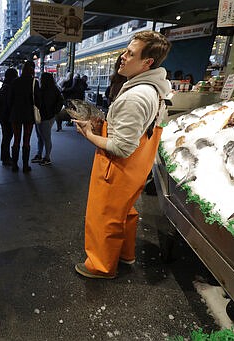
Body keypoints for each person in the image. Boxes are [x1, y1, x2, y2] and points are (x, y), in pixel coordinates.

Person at [73, 31, 171, 279]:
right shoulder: (153, 90)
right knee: (124, 212)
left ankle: (101, 266)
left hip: (117, 167)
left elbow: (122, 147)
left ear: (148, 62)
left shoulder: (136, 96)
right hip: (136, 168)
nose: (123, 57)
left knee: (104, 216)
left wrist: (88, 134)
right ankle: (125, 254)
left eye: (130, 53)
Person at [8, 60, 39, 172]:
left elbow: (10, 99)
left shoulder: (15, 81)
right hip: (28, 115)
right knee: (26, 141)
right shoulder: (34, 82)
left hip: (16, 114)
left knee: (16, 140)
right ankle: (25, 166)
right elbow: (37, 100)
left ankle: (14, 166)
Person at [31, 72, 64, 166]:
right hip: (47, 116)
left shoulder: (43, 90)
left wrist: (54, 112)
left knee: (44, 137)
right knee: (43, 137)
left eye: (41, 78)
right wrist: (55, 111)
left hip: (45, 116)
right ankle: (40, 155)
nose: (40, 80)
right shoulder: (54, 89)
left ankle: (46, 157)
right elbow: (60, 101)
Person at [0, 68, 18, 166]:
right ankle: (6, 158)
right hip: (9, 116)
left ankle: (5, 157)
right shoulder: (11, 88)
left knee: (6, 136)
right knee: (7, 137)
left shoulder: (4, 86)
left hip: (2, 116)